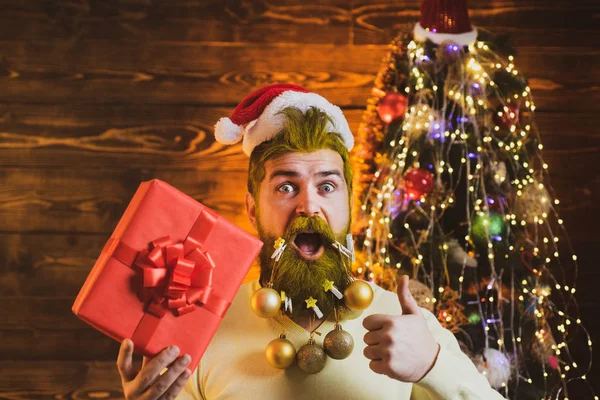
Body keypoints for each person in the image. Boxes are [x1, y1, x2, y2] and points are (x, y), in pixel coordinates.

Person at [116, 84, 505, 399]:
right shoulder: (200, 330)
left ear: (349, 207)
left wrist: (434, 365)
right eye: (286, 186)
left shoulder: (409, 327)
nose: (308, 205)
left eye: (327, 186)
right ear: (252, 209)